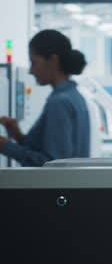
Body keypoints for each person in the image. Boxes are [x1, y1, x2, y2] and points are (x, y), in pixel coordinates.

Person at [0, 29, 90, 166]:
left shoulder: (59, 102)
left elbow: (54, 165)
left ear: (53, 60)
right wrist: (18, 136)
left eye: (34, 63)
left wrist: (5, 146)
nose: (31, 71)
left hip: (61, 186)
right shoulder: (75, 97)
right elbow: (55, 152)